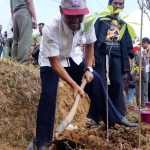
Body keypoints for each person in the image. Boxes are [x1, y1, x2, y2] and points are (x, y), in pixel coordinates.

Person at [26, 0, 138, 149]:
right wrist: (74, 85)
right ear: (61, 11)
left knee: (96, 80)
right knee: (49, 94)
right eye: (71, 16)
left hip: (72, 57)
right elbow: (55, 63)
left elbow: (90, 44)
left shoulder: (88, 21)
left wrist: (88, 68)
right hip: (51, 60)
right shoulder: (50, 27)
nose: (76, 20)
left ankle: (114, 119)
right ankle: (42, 141)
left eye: (79, 16)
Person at [86, 0, 134, 125]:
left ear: (123, 7)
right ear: (110, 5)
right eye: (115, 3)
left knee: (117, 84)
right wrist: (92, 56)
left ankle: (117, 117)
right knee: (100, 82)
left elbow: (128, 45)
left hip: (117, 57)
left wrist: (129, 59)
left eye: (120, 4)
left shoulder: (124, 25)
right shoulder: (101, 21)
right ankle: (96, 117)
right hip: (102, 55)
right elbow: (93, 39)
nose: (117, 6)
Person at [10, 0, 37, 65]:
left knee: (15, 40)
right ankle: (22, 63)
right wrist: (35, 18)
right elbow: (29, 2)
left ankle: (14, 62)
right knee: (25, 39)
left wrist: (13, 20)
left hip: (15, 14)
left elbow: (11, 10)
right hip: (24, 11)